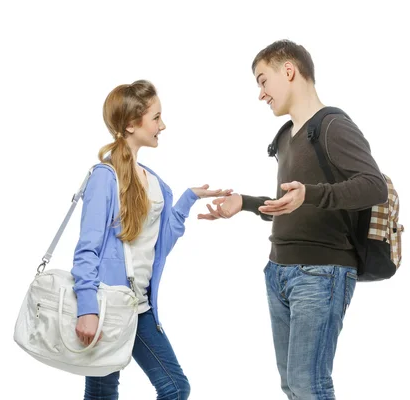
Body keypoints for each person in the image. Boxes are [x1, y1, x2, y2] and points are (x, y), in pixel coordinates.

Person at [198, 40, 388, 399]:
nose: (261, 94)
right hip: (279, 271)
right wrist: (246, 203)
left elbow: (373, 186)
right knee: (292, 385)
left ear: (289, 71)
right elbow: (292, 203)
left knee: (309, 384)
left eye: (262, 80)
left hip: (320, 274)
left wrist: (311, 193)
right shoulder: (286, 137)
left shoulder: (332, 125)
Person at [72, 80, 231, 400]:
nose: (163, 125)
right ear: (131, 123)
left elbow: (159, 248)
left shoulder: (157, 184)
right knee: (103, 393)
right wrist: (86, 308)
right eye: (156, 118)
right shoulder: (105, 177)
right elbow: (87, 248)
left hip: (139, 308)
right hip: (105, 307)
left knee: (175, 388)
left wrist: (187, 200)